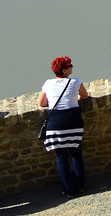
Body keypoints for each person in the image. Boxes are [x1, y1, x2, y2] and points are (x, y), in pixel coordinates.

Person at [38, 57, 89, 196]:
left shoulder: (48, 84)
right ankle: (80, 185)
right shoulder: (75, 81)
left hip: (55, 124)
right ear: (65, 70)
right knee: (76, 153)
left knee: (61, 157)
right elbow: (84, 96)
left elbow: (41, 103)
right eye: (70, 65)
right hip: (73, 121)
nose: (72, 67)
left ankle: (68, 190)